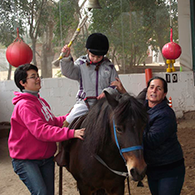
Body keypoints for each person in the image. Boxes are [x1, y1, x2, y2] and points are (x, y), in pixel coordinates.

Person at [8, 64, 85, 195]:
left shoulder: (39, 101)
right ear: (23, 83)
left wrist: (72, 115)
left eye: (38, 76)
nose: (38, 79)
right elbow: (41, 131)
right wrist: (70, 133)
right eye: (33, 77)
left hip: (46, 159)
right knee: (41, 192)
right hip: (27, 161)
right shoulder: (24, 105)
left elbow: (53, 122)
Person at [111, 76, 185, 195]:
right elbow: (131, 106)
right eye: (151, 87)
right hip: (153, 169)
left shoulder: (165, 114)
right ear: (147, 90)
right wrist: (123, 91)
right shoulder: (143, 107)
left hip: (169, 170)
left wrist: (131, 130)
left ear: (164, 93)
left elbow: (151, 140)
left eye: (159, 88)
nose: (154, 91)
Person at [59, 32, 119, 127]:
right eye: (93, 56)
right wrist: (66, 59)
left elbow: (115, 84)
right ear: (87, 51)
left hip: (104, 104)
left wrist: (107, 92)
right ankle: (62, 140)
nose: (95, 59)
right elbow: (68, 72)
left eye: (99, 57)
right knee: (69, 121)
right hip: (85, 103)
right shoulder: (81, 64)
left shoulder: (109, 66)